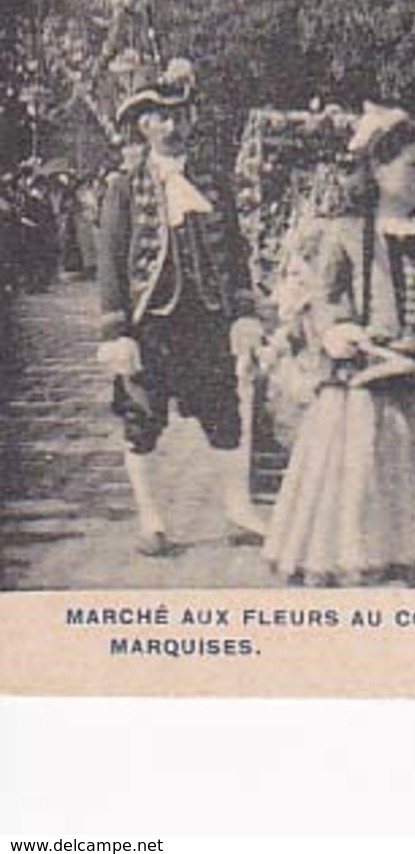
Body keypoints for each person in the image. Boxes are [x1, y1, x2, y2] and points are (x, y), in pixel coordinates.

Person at [262, 105, 415, 586]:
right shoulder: (347, 232)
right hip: (364, 389)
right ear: (378, 168)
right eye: (411, 165)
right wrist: (340, 330)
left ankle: (413, 575)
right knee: (362, 488)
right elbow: (325, 298)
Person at [94, 59, 266, 556]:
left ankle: (239, 511)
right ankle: (152, 520)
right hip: (150, 325)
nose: (173, 125)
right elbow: (110, 262)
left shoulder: (213, 182)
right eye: (161, 116)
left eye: (181, 114)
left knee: (226, 415)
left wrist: (244, 312)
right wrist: (116, 332)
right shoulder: (124, 187)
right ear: (143, 124)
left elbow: (235, 252)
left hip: (206, 319)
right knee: (143, 421)